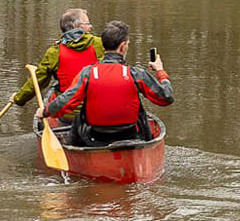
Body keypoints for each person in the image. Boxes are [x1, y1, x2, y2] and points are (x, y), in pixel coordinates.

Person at [42, 20, 173, 146]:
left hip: (95, 137)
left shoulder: (86, 74)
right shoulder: (136, 74)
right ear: (123, 46)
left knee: (79, 115)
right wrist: (160, 71)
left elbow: (62, 104)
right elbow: (166, 98)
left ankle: (74, 151)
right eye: (127, 44)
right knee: (140, 111)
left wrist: (45, 112)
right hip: (130, 135)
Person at [12, 8, 99, 109]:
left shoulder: (54, 52)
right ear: (77, 27)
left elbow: (38, 81)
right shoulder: (100, 44)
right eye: (87, 23)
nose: (91, 27)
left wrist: (18, 99)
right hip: (94, 109)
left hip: (66, 111)